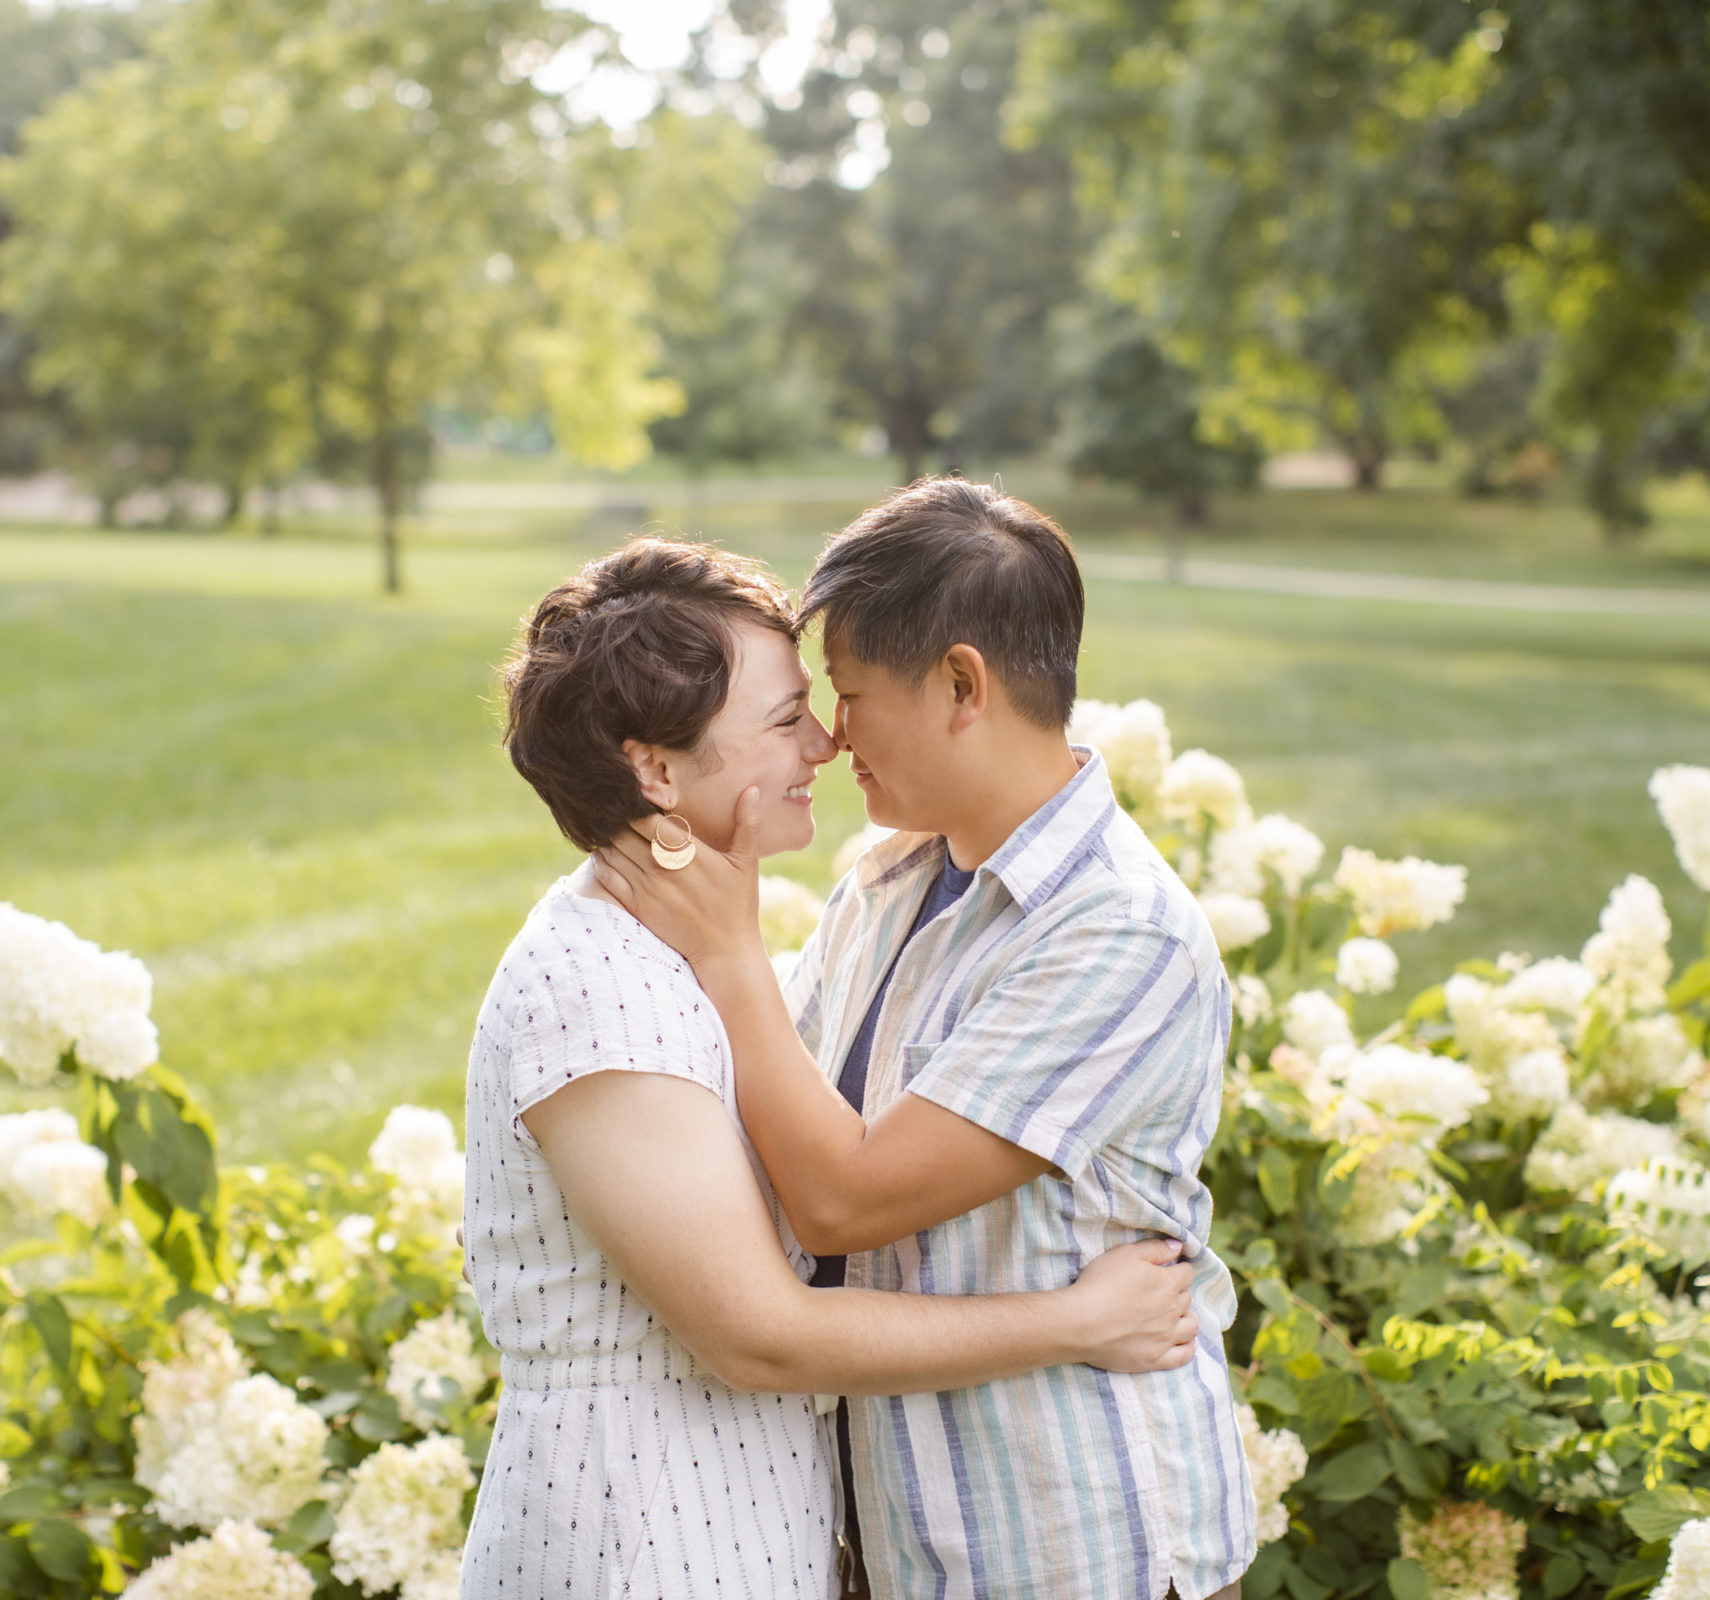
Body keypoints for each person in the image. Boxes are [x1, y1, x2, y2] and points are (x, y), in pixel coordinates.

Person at [460, 535, 1203, 1599]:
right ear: (655, 769)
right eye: (785, 716)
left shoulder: (1075, 920)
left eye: (831, 697)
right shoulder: (602, 983)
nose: (823, 740)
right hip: (643, 1545)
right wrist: (1077, 1321)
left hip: (867, 1533)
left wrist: (733, 953)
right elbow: (765, 1327)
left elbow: (827, 1165)